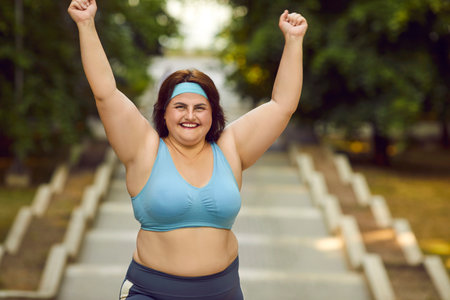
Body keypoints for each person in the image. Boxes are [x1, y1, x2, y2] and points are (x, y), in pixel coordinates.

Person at [68, 0, 307, 299]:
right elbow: (105, 93)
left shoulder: (230, 149)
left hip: (223, 291)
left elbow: (282, 105)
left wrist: (293, 41)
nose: (190, 116)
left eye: (200, 108)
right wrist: (86, 24)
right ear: (164, 113)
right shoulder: (144, 149)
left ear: (213, 114)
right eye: (180, 107)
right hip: (151, 292)